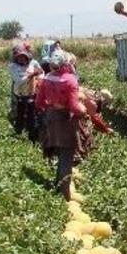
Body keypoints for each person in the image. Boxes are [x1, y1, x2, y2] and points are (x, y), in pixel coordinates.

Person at [35, 50, 88, 201]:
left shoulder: (47, 78)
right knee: (67, 154)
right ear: (66, 64)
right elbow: (74, 107)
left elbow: (39, 103)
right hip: (65, 119)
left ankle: (57, 183)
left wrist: (52, 104)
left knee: (61, 151)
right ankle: (66, 193)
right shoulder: (70, 79)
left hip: (51, 118)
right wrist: (84, 112)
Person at [8, 43, 43, 141]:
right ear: (15, 58)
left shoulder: (33, 63)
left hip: (32, 94)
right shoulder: (13, 67)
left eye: (23, 56)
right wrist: (31, 76)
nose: (21, 59)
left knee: (32, 116)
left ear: (27, 56)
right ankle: (18, 134)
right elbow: (19, 80)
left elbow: (41, 72)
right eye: (19, 57)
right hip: (19, 94)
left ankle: (33, 137)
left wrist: (38, 78)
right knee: (20, 114)